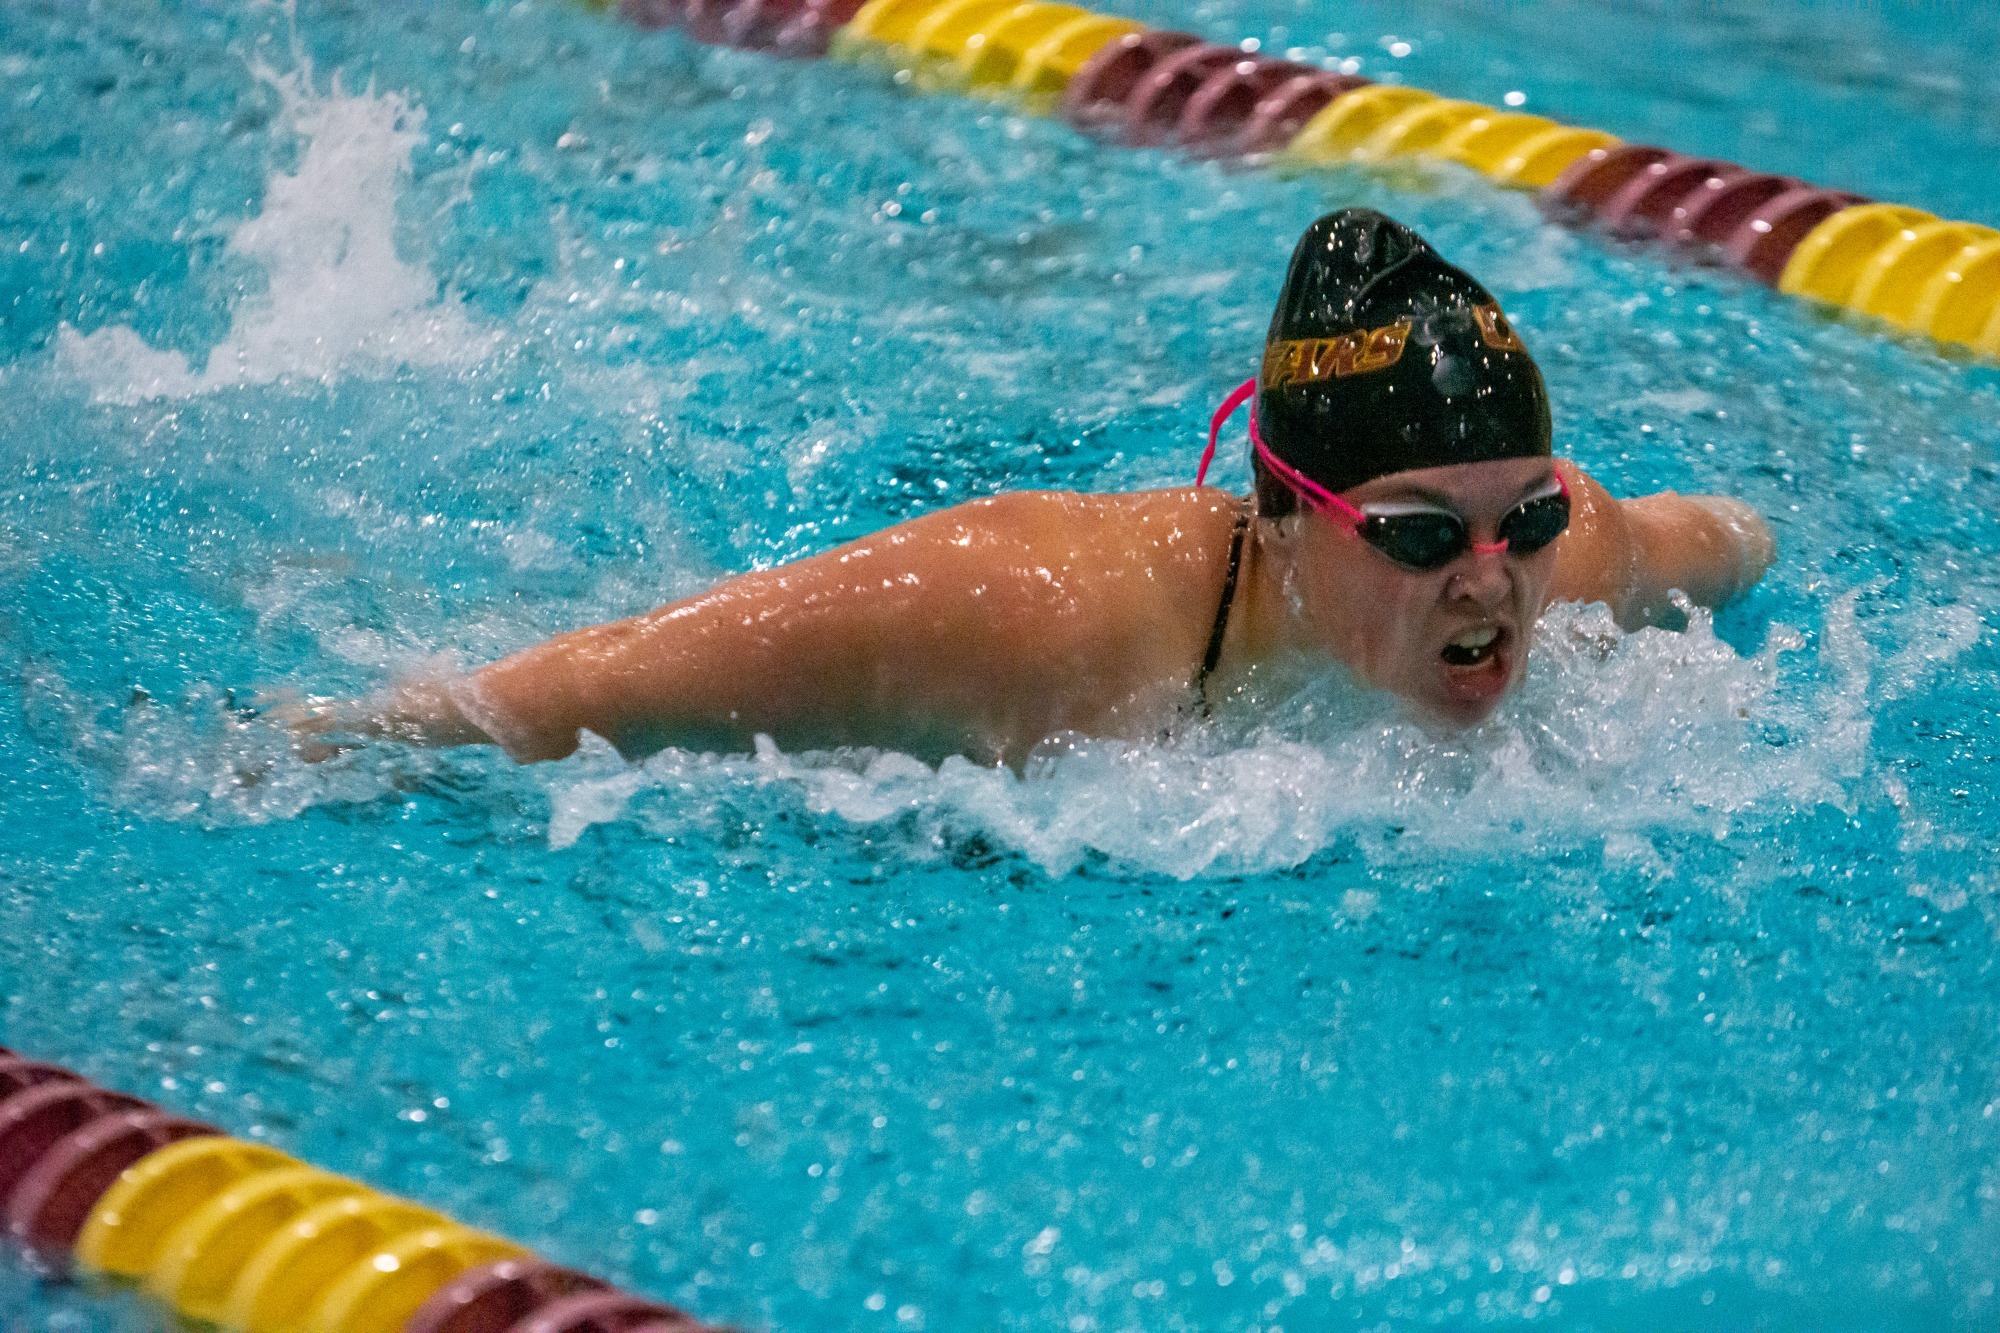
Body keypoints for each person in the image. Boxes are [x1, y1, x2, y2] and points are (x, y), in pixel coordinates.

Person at [292, 209, 1773, 767]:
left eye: (1526, 517)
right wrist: (354, 734)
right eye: (1420, 532)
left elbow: (1738, 544)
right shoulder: (1028, 615)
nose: (1491, 576)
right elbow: (584, 689)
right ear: (1278, 513)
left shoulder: (1548, 556)